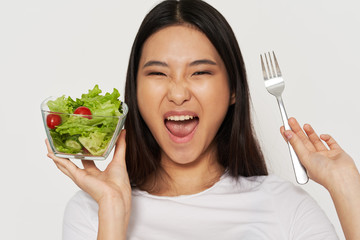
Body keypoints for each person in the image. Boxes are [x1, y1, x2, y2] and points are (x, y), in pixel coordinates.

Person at [45, 0, 360, 239]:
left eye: (200, 72)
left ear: (233, 89)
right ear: (135, 92)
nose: (178, 93)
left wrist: (346, 184)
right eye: (157, 73)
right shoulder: (92, 209)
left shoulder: (285, 205)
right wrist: (112, 211)